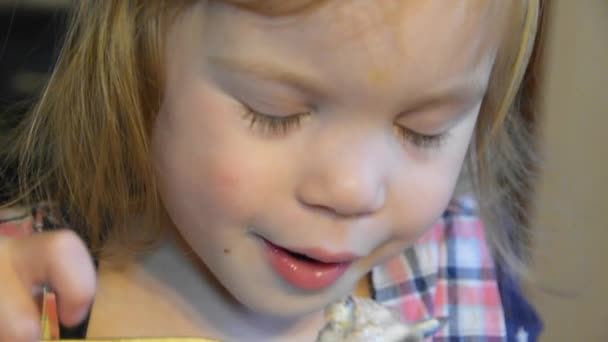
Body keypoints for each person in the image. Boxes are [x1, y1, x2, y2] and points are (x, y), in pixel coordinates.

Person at [0, 0, 544, 340]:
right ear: (142, 64)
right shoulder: (29, 290)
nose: (352, 190)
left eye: (424, 129)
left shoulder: (461, 281)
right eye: (274, 111)